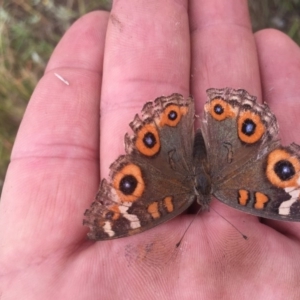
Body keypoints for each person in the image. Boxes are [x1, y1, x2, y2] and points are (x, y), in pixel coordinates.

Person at [1, 1, 300, 298]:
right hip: (233, 147)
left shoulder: (178, 198)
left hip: (168, 148)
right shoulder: (230, 194)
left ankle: (181, 118)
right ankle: (223, 115)